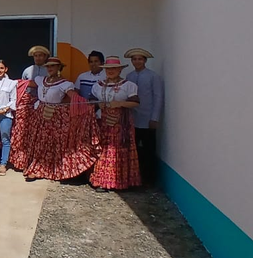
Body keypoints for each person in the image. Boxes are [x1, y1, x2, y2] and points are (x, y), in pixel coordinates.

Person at [21, 57, 100, 181]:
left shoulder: (65, 84)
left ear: (59, 67)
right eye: (48, 66)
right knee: (40, 141)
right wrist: (10, 82)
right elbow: (25, 84)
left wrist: (85, 104)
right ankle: (36, 168)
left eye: (53, 66)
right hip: (41, 114)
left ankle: (51, 169)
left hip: (56, 117)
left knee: (54, 143)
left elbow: (73, 96)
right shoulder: (41, 80)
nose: (50, 68)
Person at [89, 56, 142, 191]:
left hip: (121, 124)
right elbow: (91, 101)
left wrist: (120, 103)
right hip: (104, 122)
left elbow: (135, 102)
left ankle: (122, 181)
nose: (111, 71)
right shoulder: (98, 85)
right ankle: (103, 181)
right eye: (108, 69)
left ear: (119, 70)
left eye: (114, 69)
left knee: (119, 150)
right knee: (104, 149)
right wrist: (97, 104)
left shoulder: (129, 86)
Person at [124, 48, 164, 186]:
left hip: (148, 118)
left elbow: (158, 97)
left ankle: (150, 179)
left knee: (149, 149)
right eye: (134, 59)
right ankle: (135, 177)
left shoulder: (153, 76)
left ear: (145, 61)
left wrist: (155, 117)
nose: (137, 61)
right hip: (133, 118)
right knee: (134, 149)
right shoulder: (129, 77)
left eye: (140, 59)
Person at [8, 45, 51, 169]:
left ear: (45, 57)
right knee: (22, 130)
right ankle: (20, 161)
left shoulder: (48, 70)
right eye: (36, 56)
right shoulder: (27, 70)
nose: (38, 58)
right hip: (27, 102)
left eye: (40, 56)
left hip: (42, 103)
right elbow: (22, 87)